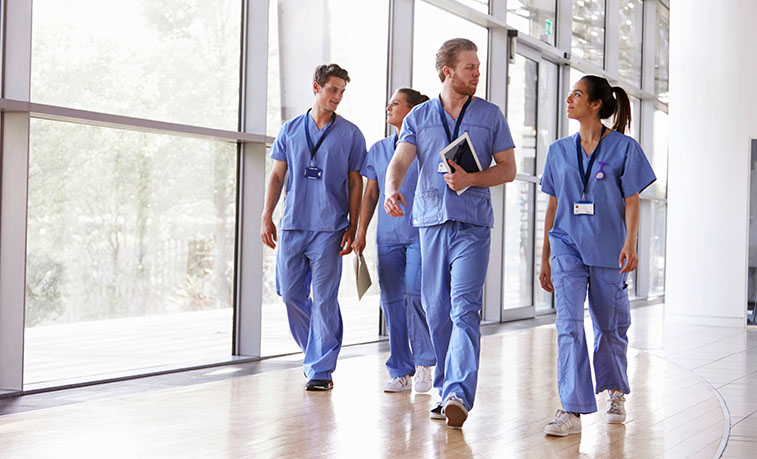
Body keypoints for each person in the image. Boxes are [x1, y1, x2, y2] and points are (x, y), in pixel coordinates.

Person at [384, 38, 517, 428]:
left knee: (463, 308)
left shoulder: (490, 115)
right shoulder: (419, 117)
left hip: (473, 224)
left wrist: (472, 179)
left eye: (478, 67)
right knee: (437, 311)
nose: (478, 73)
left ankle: (458, 391)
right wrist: (392, 189)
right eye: (470, 67)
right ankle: (445, 388)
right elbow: (400, 161)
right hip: (430, 223)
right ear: (448, 72)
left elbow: (507, 168)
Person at [538, 75, 656, 436]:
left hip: (608, 248)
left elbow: (633, 200)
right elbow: (553, 203)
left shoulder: (625, 148)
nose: (569, 98)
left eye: (577, 94)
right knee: (569, 326)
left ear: (596, 105)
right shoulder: (558, 150)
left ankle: (615, 391)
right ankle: (571, 409)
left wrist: (631, 243)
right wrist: (544, 256)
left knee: (609, 326)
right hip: (566, 247)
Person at [261, 63, 366, 391]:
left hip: (330, 227)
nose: (337, 97)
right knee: (291, 294)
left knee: (324, 299)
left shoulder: (350, 134)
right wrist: (267, 215)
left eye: (342, 92)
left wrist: (353, 224)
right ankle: (315, 352)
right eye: (333, 90)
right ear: (316, 87)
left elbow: (355, 183)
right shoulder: (290, 130)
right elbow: (278, 175)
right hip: (293, 225)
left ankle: (320, 369)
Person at [352, 88, 436, 394]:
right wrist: (361, 232)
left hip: (420, 234)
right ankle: (401, 369)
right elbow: (371, 194)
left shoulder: (427, 147)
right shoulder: (378, 149)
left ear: (414, 111)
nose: (389, 106)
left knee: (414, 295)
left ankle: (425, 363)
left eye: (396, 103)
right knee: (391, 303)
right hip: (387, 237)